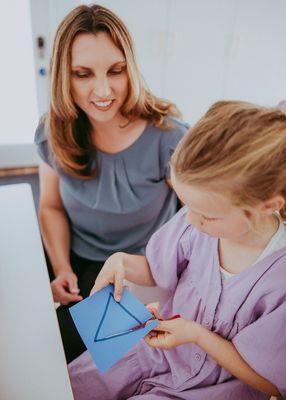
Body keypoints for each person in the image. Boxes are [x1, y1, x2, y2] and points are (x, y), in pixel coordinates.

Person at [68, 101, 286, 399]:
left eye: (207, 216)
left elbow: (272, 385)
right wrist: (121, 262)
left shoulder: (279, 281)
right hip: (149, 349)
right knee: (68, 384)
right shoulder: (197, 219)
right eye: (188, 207)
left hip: (214, 389)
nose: (192, 221)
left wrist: (197, 335)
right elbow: (158, 270)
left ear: (268, 206)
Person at [34, 4, 188, 363]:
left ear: (130, 68)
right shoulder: (51, 130)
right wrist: (61, 268)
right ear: (63, 76)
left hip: (137, 269)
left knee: (59, 353)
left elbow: (197, 228)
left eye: (115, 71)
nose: (103, 90)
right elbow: (51, 206)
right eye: (83, 74)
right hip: (75, 252)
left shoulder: (170, 138)